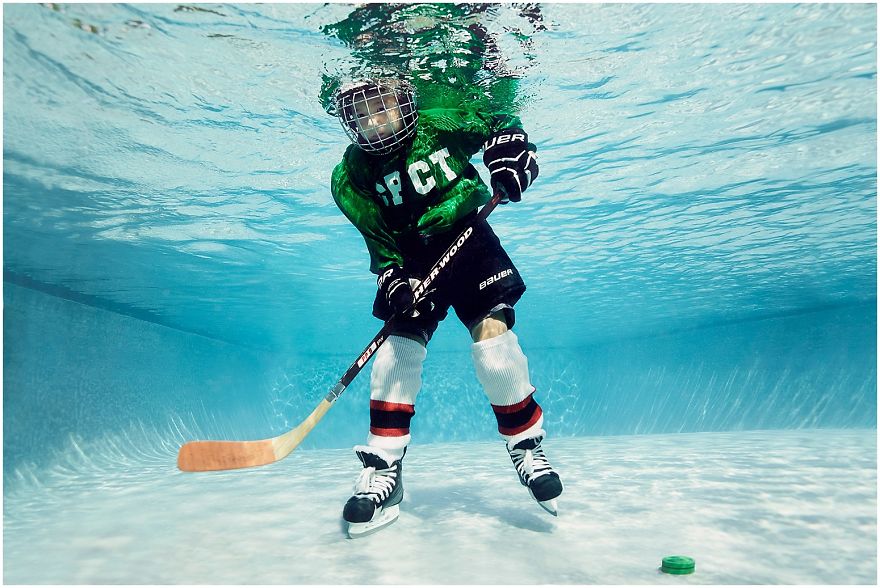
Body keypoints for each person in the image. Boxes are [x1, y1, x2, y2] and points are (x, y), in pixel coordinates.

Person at [329, 77, 563, 537]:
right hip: (413, 258)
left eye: (383, 106)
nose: (374, 122)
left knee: (494, 347)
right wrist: (393, 274)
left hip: (471, 239)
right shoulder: (349, 176)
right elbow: (377, 237)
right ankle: (384, 466)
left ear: (405, 100)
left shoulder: (441, 123)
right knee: (396, 353)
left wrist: (511, 150)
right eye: (361, 114)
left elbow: (500, 118)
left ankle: (525, 444)